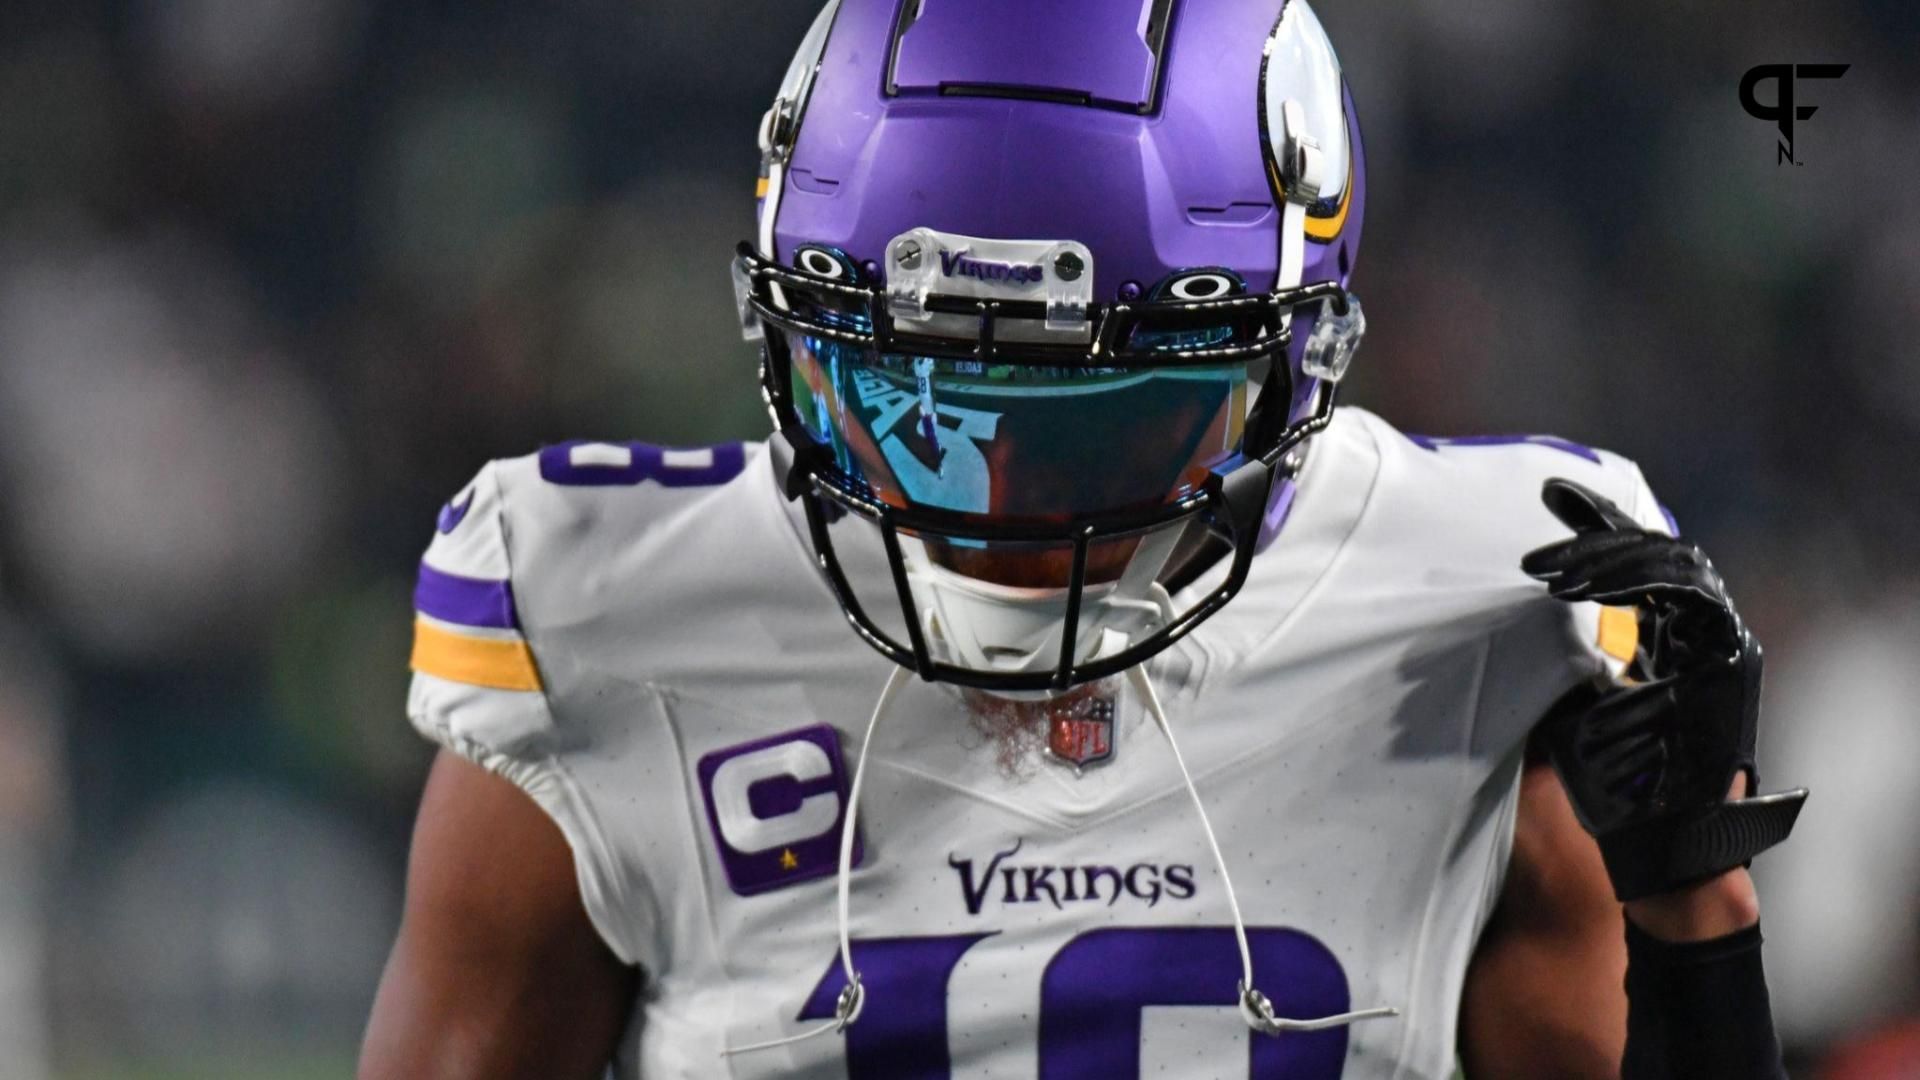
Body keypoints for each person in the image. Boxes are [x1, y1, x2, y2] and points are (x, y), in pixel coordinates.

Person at [360, 2, 1806, 1076]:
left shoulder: (1495, 601)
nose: (994, 509)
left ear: (1294, 369)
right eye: (911, 393)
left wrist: (1694, 908)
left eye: (1092, 426)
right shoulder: (604, 614)